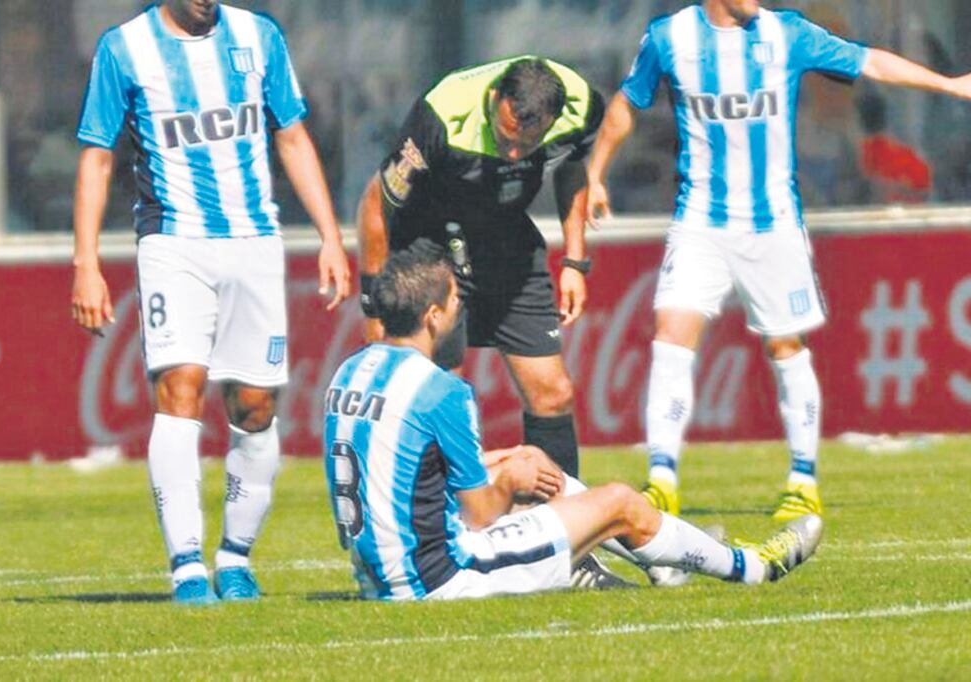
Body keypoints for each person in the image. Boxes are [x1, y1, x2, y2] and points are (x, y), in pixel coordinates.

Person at [585, 0, 971, 522]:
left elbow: (870, 61)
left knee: (786, 346)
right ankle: (661, 479)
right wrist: (594, 173)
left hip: (773, 227)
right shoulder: (669, 37)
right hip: (700, 222)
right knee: (670, 335)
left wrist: (950, 85)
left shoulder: (785, 33)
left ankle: (803, 479)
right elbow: (627, 104)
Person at [323, 244, 822, 601]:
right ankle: (753, 567)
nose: (461, 310)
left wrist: (514, 463)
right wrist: (511, 481)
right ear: (433, 316)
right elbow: (478, 514)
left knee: (531, 462)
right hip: (443, 577)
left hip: (379, 572)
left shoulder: (352, 369)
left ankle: (663, 562)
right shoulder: (442, 391)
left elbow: (401, 472)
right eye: (455, 300)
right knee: (621, 501)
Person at [71, 0, 350, 605]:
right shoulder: (125, 49)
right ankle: (187, 566)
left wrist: (331, 235)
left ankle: (237, 558)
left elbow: (293, 136)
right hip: (173, 242)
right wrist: (86, 261)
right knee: (180, 391)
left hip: (254, 242)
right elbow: (97, 155)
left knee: (253, 406)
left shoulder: (260, 36)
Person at [356, 56, 605, 480]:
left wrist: (575, 261)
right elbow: (376, 204)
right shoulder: (441, 117)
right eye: (505, 136)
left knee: (553, 393)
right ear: (494, 99)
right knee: (437, 395)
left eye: (526, 145)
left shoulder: (581, 106)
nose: (511, 152)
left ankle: (564, 531)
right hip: (431, 246)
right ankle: (438, 527)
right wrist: (374, 304)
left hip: (506, 241)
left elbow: (571, 170)